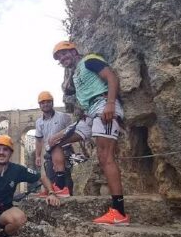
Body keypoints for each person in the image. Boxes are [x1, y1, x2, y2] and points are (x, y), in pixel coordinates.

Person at [50, 40, 129, 225]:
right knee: (54, 141)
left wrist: (110, 103)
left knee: (105, 157)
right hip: (89, 113)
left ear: (74, 50)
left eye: (64, 53)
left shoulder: (89, 61)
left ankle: (119, 212)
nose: (62, 58)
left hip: (103, 105)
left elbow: (111, 77)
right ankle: (61, 187)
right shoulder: (76, 73)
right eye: (59, 57)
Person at [33, 90, 75, 197]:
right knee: (51, 180)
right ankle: (52, 196)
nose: (45, 104)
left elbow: (73, 131)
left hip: (65, 152)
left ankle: (68, 200)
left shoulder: (63, 117)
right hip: (49, 153)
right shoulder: (39, 122)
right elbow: (39, 139)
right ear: (40, 105)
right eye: (42, 102)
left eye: (48, 102)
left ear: (52, 103)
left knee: (66, 180)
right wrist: (37, 156)